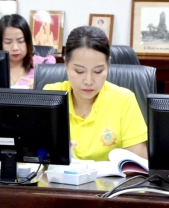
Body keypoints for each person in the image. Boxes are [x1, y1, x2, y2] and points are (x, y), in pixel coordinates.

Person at [43, 26, 148, 161]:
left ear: (108, 64)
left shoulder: (124, 100)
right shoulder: (51, 96)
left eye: (98, 71)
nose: (88, 81)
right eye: (79, 71)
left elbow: (138, 163)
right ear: (66, 64)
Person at [0, 14, 55, 89]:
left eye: (20, 41)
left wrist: (41, 84)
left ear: (28, 42)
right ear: (0, 44)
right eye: (8, 42)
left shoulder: (41, 66)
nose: (15, 48)